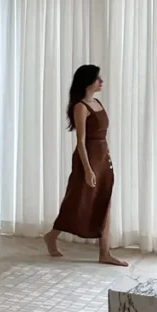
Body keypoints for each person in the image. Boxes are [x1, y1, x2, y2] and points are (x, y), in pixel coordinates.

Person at [43, 65, 127, 266]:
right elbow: (81, 142)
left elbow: (101, 137)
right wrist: (88, 169)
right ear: (88, 81)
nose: (101, 81)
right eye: (98, 78)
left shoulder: (97, 102)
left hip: (102, 158)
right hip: (86, 160)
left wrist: (106, 158)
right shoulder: (81, 107)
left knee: (104, 202)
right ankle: (52, 236)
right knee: (76, 202)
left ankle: (104, 253)